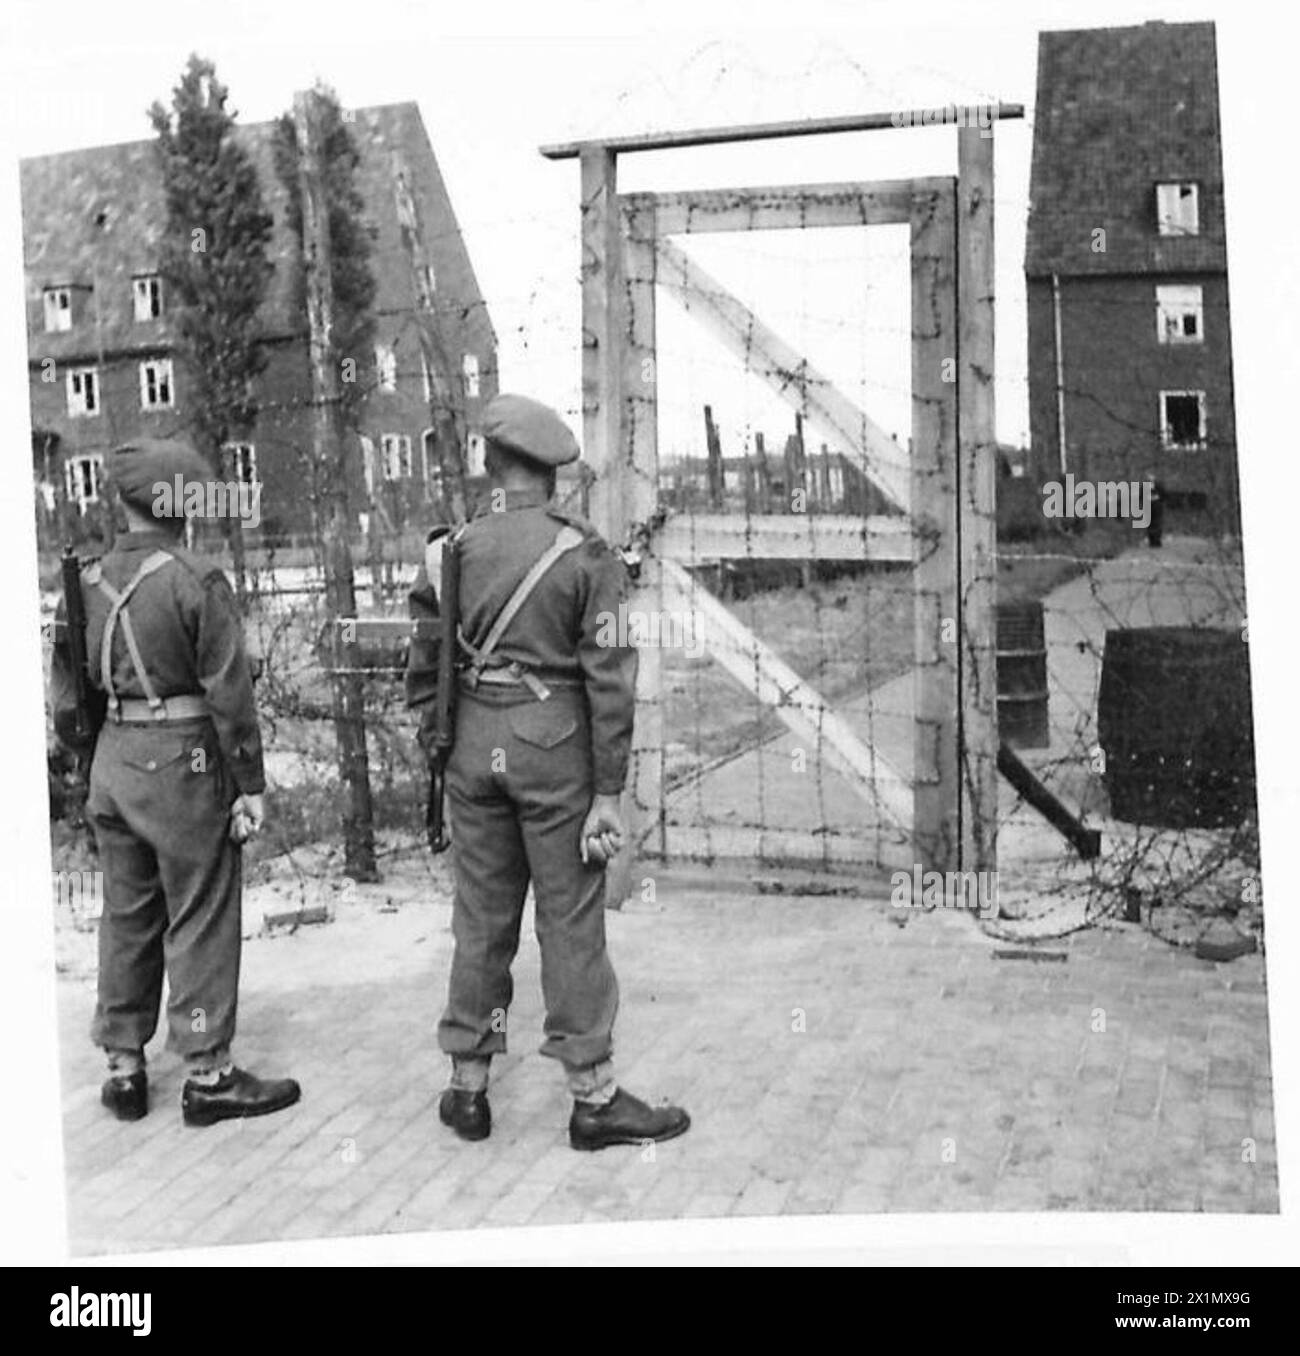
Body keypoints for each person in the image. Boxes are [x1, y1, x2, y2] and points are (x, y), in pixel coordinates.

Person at [407, 394, 690, 1150]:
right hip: (554, 756)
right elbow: (609, 679)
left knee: (481, 920)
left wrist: (446, 741)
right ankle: (593, 1098)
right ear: (551, 473)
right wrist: (607, 791)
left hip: (472, 751)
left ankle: (467, 1088)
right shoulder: (584, 553)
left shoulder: (450, 550)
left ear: (488, 464)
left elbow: (422, 668)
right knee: (569, 922)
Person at [50, 436, 300, 1127]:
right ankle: (209, 1074)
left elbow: (69, 698)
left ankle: (124, 1067)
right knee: (200, 909)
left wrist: (89, 760)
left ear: (125, 502)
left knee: (127, 916)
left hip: (113, 762)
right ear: (182, 504)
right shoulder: (197, 579)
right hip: (183, 761)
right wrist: (248, 780)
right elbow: (230, 692)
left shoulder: (88, 581)